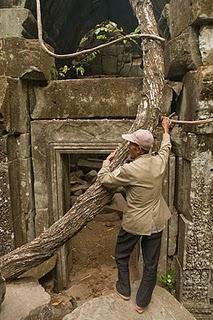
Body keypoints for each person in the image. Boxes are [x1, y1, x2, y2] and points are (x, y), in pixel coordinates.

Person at [97, 117, 172, 313]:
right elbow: (166, 148)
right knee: (151, 263)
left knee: (122, 255)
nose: (128, 146)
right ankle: (141, 303)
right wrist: (166, 130)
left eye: (131, 144)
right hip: (156, 221)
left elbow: (105, 180)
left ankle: (124, 289)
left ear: (139, 149)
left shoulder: (130, 170)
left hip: (135, 222)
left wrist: (107, 162)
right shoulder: (159, 162)